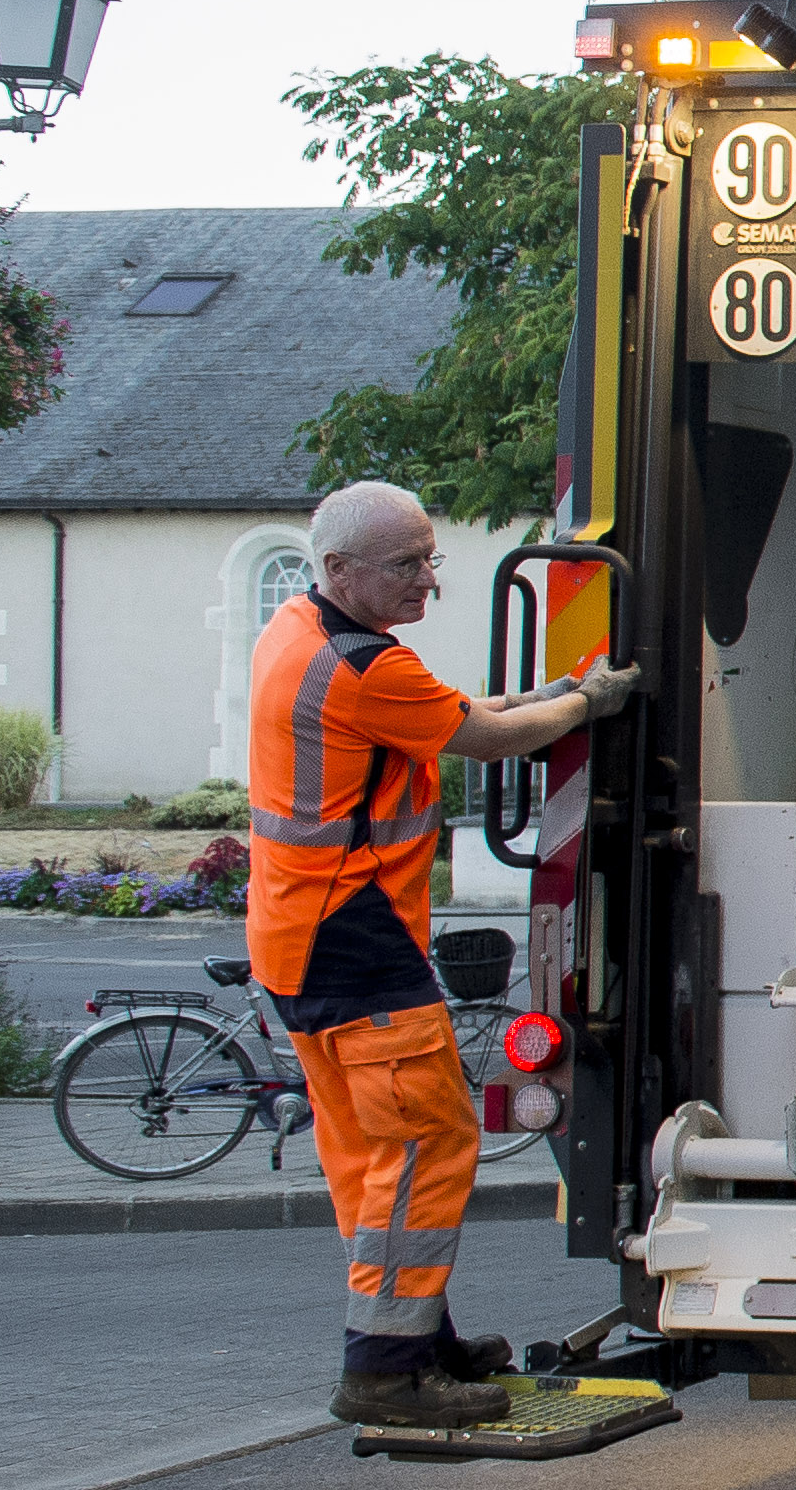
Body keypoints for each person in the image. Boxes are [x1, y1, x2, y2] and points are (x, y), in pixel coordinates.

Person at [254, 483, 641, 1432]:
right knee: (427, 1144)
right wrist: (585, 702)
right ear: (339, 569)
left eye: (431, 559)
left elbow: (449, 709)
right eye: (405, 564)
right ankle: (386, 1373)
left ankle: (414, 1339)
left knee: (370, 1158)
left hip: (298, 939)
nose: (427, 578)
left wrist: (546, 698)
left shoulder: (299, 632)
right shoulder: (363, 666)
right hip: (357, 942)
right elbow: (483, 736)